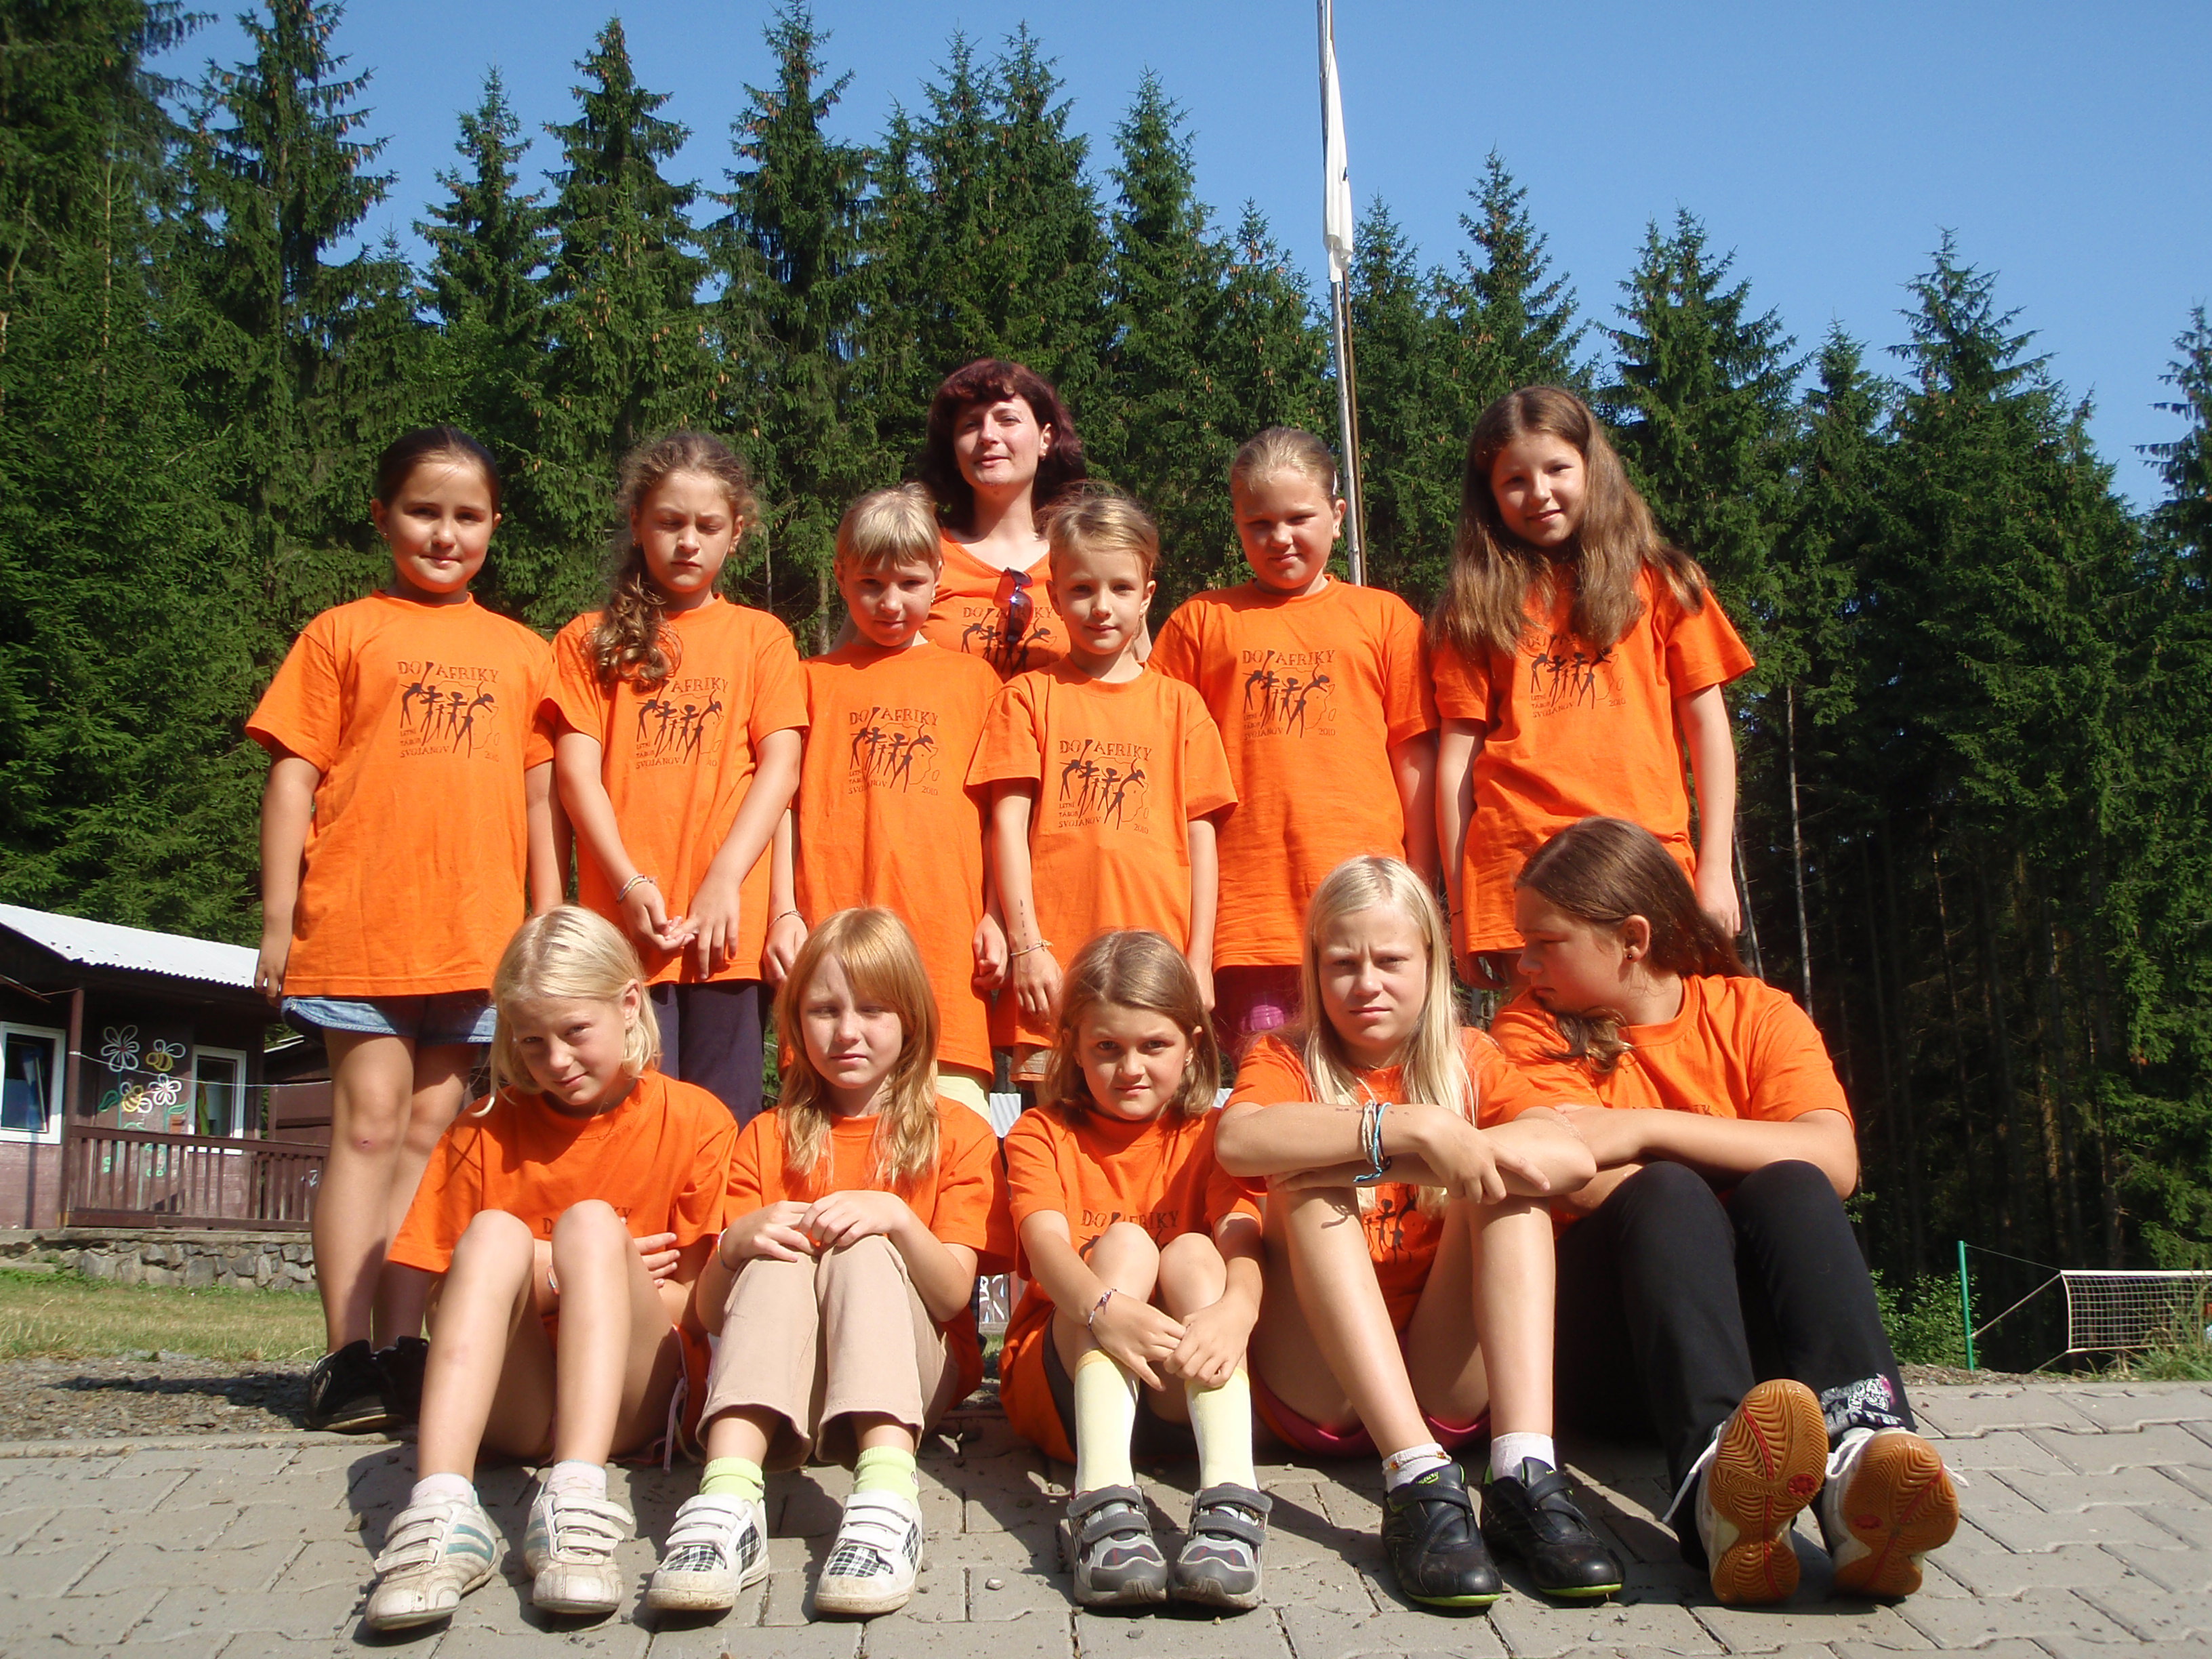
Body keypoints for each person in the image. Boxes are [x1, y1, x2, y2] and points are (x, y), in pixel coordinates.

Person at [1490, 816, 1959, 1604]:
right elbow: (1571, 1180)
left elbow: (1834, 1161)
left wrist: (1644, 1128)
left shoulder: (1755, 1014)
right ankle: (1717, 1487)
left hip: (1770, 1376)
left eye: (1546, 943)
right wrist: (1698, 1156)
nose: (1524, 963)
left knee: (1793, 1184)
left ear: (1632, 939)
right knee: (1667, 1193)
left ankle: (1859, 1468)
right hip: (1618, 1361)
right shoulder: (1530, 1030)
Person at [247, 426, 562, 1433]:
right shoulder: (342, 634)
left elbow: (540, 798)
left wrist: (548, 924)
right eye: (424, 512)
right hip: (362, 927)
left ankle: (401, 1350)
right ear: (382, 516)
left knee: (433, 1140)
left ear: (494, 527)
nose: (444, 534)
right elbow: (292, 777)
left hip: (478, 940)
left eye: (467, 516)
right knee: (370, 1125)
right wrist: (278, 922)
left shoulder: (525, 652)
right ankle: (345, 1355)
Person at [1213, 855, 1620, 1611]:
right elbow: (1239, 1141)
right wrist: (1412, 1128)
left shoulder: (1472, 1057)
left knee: (1512, 1185)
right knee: (1304, 1180)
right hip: (1321, 1388)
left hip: (1443, 1380)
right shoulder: (1282, 1056)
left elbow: (1570, 1157)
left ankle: (1524, 1472)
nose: (1366, 984)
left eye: (1391, 961)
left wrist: (1452, 1150)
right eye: (1342, 964)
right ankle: (1415, 1482)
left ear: (1431, 965)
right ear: (1314, 972)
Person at [362, 907, 735, 1631]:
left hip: (635, 1403)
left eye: (575, 1032)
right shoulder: (481, 1127)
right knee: (495, 1235)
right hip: (517, 1409)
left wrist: (595, 1264)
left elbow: (693, 1307)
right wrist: (559, 1271)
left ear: (629, 1004)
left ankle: (577, 1500)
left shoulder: (696, 1121)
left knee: (590, 1226)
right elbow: (445, 1301)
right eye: (531, 1042)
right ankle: (441, 1509)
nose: (556, 1061)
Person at [647, 909, 1011, 1619]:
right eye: (824, 1010)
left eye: (872, 1010)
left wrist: (896, 1218)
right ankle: (727, 1500)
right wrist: (734, 1245)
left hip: (913, 1376)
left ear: (912, 1020)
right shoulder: (765, 1135)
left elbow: (952, 1297)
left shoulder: (959, 1132)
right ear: (794, 1023)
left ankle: (886, 1497)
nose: (847, 1032)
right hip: (789, 1379)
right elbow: (709, 1315)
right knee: (774, 1251)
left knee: (863, 1242)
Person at [1430, 386, 1753, 991]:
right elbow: (1456, 765)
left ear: (1592, 468)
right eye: (1514, 480)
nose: (1539, 493)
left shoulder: (1663, 582)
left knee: (1654, 1038)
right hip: (1519, 871)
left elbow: (1709, 731)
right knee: (1543, 1045)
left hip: (1645, 865)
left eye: (1557, 469)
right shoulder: (1471, 608)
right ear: (1489, 495)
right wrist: (1461, 909)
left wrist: (1714, 869)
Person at [1000, 930, 1271, 1611]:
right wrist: (1104, 1309)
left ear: (1192, 1046)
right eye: (1107, 1048)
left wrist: (1238, 1311)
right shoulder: (1042, 1133)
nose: (1131, 1069)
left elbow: (1244, 1240)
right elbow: (1044, 1247)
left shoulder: (1212, 1134)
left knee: (1195, 1253)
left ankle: (1231, 1494)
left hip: (1177, 1395)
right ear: (1073, 1048)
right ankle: (1100, 1497)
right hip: (1068, 1385)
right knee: (1125, 1245)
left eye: (1154, 1046)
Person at [546, 430, 805, 1126]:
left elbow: (781, 767)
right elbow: (576, 775)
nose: (688, 542)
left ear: (736, 533)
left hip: (726, 939)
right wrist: (627, 884)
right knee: (627, 1128)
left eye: (707, 526)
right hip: (623, 938)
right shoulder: (586, 640)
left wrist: (723, 881)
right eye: (669, 522)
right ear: (638, 523)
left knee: (723, 1126)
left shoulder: (762, 638)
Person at [1151, 428, 1437, 1055]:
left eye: (1299, 518)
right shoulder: (1200, 622)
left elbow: (1414, 763)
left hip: (1369, 917)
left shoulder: (1385, 618)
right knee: (1277, 1088)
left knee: (1378, 1084)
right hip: (1250, 921)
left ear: (1337, 516)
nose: (1280, 538)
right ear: (1237, 524)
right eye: (1259, 524)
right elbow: (1163, 769)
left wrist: (1420, 891)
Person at [970, 489, 1236, 1079]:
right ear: (1055, 597)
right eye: (1082, 589)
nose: (1101, 607)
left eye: (1120, 588)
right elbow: (1006, 828)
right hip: (1053, 980)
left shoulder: (1181, 707)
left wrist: (1198, 960)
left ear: (1147, 596)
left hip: (1158, 978)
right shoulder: (1026, 699)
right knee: (1055, 1125)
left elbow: (1202, 841)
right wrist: (1027, 946)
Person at [771, 486, 1004, 1115]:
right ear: (841, 577)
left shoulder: (977, 683)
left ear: (938, 578)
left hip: (945, 964)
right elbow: (781, 810)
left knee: (952, 1145)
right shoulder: (808, 681)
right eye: (871, 584)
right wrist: (783, 911)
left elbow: (999, 822)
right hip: (832, 977)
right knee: (825, 1151)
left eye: (910, 583)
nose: (892, 603)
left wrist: (996, 915)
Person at [916, 357, 1088, 678]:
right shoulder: (916, 554)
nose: (987, 435)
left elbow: (1134, 677)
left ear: (1045, 439)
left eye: (1007, 420)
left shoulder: (1088, 556)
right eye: (970, 425)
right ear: (953, 451)